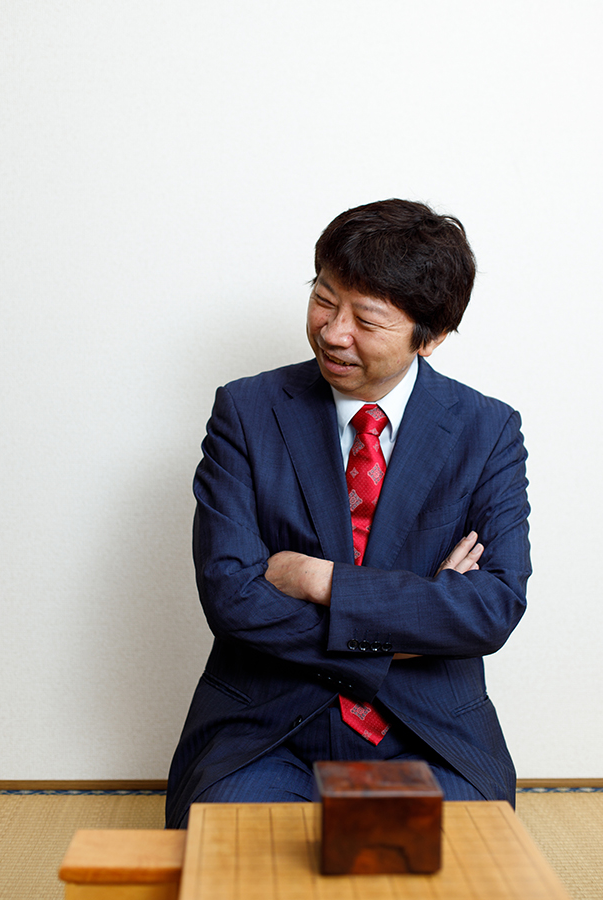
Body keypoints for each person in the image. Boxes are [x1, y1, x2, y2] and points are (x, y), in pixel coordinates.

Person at [165, 199, 531, 828]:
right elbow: (231, 596)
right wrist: (414, 623)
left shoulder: (487, 429)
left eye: (366, 319)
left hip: (428, 731)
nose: (333, 332)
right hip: (265, 727)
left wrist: (319, 579)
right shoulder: (247, 411)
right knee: (237, 845)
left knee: (464, 849)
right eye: (323, 299)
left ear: (432, 337)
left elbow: (491, 609)